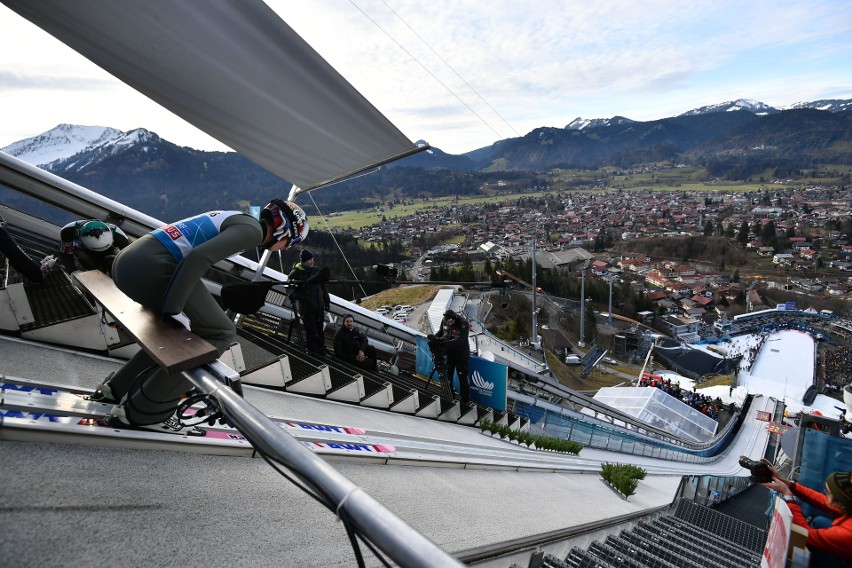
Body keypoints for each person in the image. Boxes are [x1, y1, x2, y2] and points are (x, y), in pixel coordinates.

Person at [93, 200, 308, 434]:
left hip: (131, 262)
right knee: (221, 332)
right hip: (152, 267)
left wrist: (175, 312)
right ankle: (146, 412)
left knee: (176, 331)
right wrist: (173, 308)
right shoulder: (253, 231)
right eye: (291, 241)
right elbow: (197, 258)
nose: (286, 248)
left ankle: (115, 390)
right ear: (283, 230)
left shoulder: (239, 217)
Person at [761, 464, 852, 567]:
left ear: (841, 504)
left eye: (828, 492)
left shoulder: (847, 533)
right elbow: (821, 500)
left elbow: (806, 535)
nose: (825, 494)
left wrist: (788, 496)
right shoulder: (847, 504)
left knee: (807, 543)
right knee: (819, 521)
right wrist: (786, 483)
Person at [288, 249, 330, 356]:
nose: (312, 261)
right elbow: (291, 292)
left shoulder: (316, 270)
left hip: (319, 307)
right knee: (311, 332)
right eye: (310, 259)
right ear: (305, 260)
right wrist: (305, 297)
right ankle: (313, 354)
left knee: (320, 331)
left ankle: (322, 353)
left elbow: (323, 287)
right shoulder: (295, 274)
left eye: (313, 259)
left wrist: (326, 301)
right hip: (307, 309)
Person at [57, 219, 130, 275]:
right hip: (85, 251)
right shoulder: (68, 231)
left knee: (114, 262)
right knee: (91, 264)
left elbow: (129, 257)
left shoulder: (119, 236)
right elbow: (65, 252)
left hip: (110, 251)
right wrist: (72, 271)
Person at [434, 309, 472, 405]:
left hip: (461, 354)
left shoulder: (463, 323)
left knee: (462, 376)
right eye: (448, 322)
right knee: (447, 375)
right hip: (450, 353)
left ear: (454, 318)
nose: (450, 324)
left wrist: (445, 344)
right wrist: (435, 339)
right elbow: (443, 333)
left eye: (451, 322)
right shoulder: (445, 320)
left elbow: (461, 340)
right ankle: (450, 396)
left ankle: (465, 399)